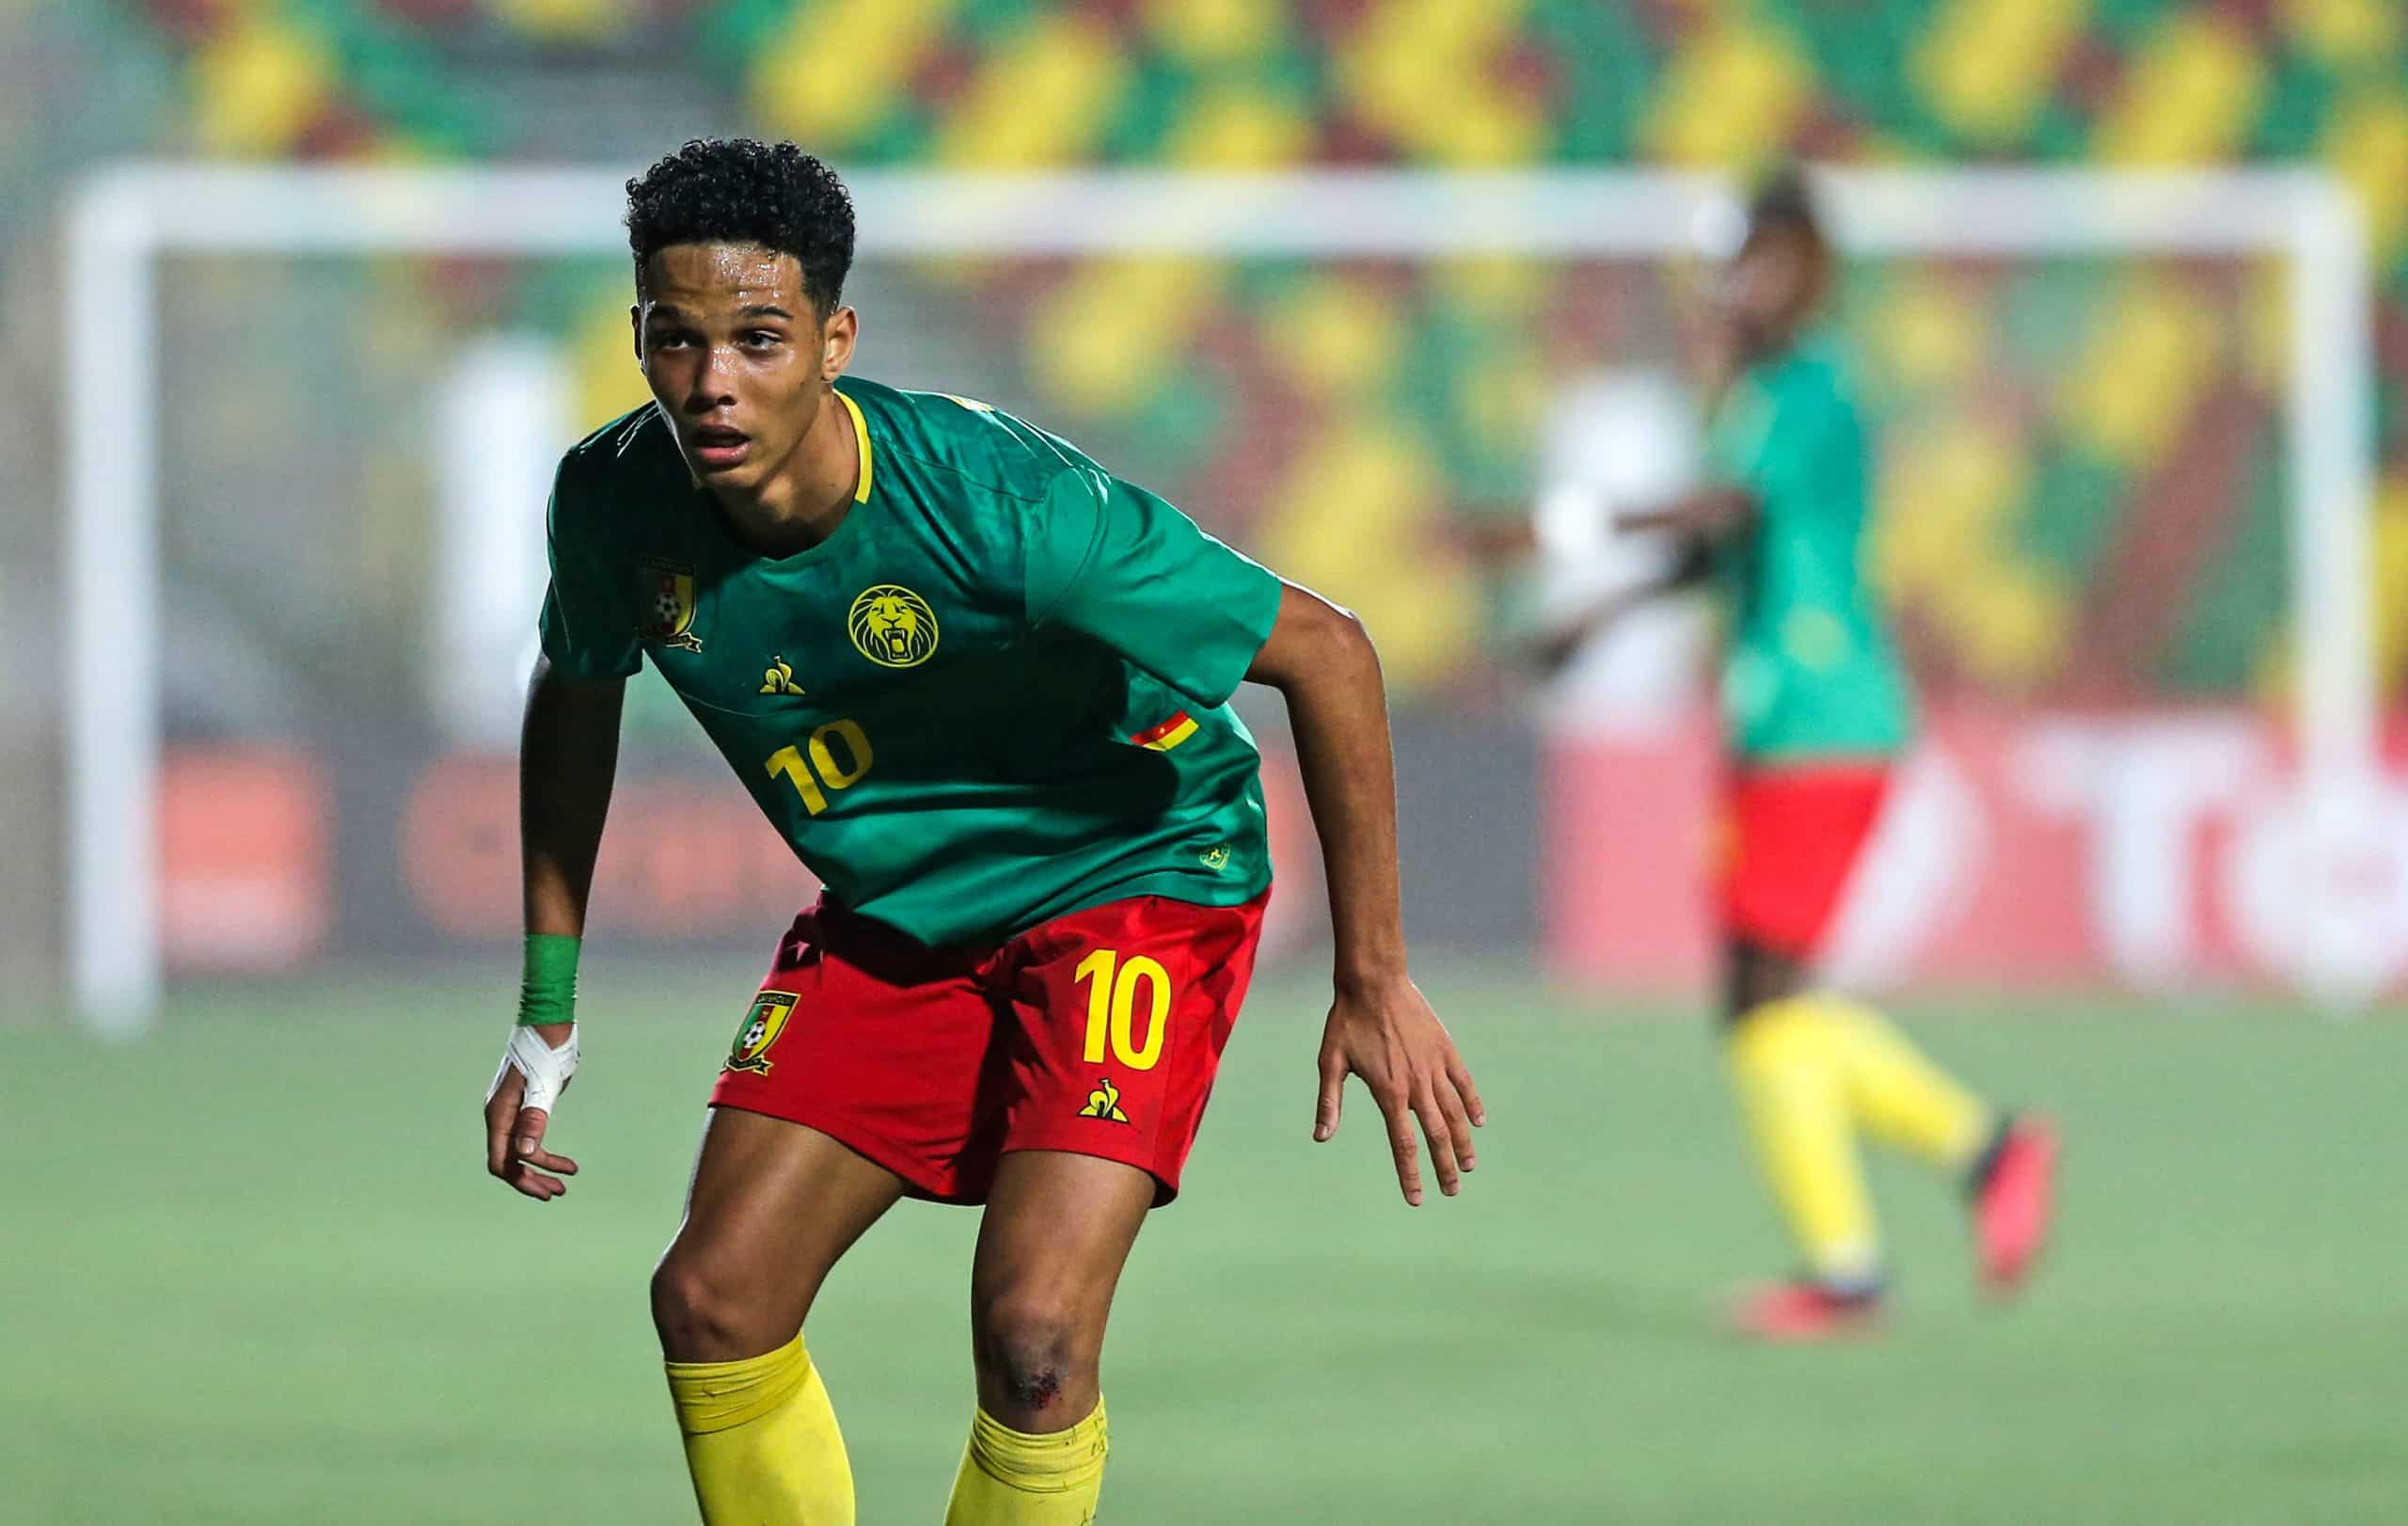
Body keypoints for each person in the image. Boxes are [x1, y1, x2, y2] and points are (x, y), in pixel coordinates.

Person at [479, 138, 1483, 1522]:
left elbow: (1328, 648)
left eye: (759, 340)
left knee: (1034, 1340)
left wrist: (1372, 976)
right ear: (640, 333)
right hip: (902, 917)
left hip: (1132, 874)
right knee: (710, 1298)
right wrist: (546, 1009)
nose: (713, 384)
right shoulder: (608, 504)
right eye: (677, 338)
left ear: (835, 339)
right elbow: (576, 694)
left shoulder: (997, 502)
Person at [1545, 172, 2055, 1341]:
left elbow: (1725, 514)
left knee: (1765, 991)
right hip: (1780, 720)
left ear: (1808, 267)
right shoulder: (1757, 396)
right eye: (1729, 264)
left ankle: (1862, 1255)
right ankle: (1975, 1158)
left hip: (1823, 717)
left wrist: (1564, 532)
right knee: (1757, 992)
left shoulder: (1811, 389)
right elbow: (1717, 545)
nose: (1738, 286)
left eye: (1759, 261)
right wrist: (1600, 614)